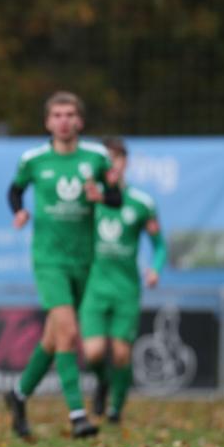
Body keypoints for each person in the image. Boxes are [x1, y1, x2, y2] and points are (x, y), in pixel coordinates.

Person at [4, 91, 121, 439]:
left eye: (70, 114)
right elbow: (15, 190)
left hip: (84, 260)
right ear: (48, 122)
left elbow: (116, 197)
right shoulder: (33, 160)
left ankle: (18, 395)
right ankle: (77, 415)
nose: (64, 121)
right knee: (68, 332)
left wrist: (102, 196)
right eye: (57, 115)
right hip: (49, 259)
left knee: (54, 338)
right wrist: (19, 211)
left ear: (79, 121)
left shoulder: (97, 157)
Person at [81, 137, 165, 424]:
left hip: (126, 289)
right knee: (93, 353)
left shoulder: (142, 203)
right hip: (94, 287)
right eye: (106, 159)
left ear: (125, 163)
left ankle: (116, 408)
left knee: (120, 354)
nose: (112, 165)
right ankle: (102, 382)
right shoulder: (90, 198)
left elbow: (159, 245)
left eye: (116, 158)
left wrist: (155, 269)